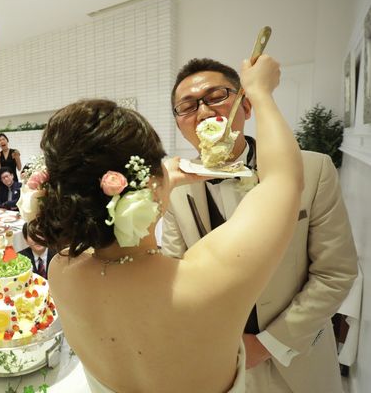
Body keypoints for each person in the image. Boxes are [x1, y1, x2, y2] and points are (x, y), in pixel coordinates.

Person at [28, 56, 305, 392]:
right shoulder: (205, 278)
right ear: (147, 182)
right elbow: (283, 180)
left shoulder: (61, 271)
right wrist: (260, 91)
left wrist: (158, 183)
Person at [162, 58, 358, 393]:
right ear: (180, 125)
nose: (204, 111)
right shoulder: (176, 189)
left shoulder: (314, 170)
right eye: (188, 106)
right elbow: (174, 275)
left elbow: (335, 273)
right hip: (220, 361)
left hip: (300, 359)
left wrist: (269, 343)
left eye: (216, 96)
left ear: (247, 105)